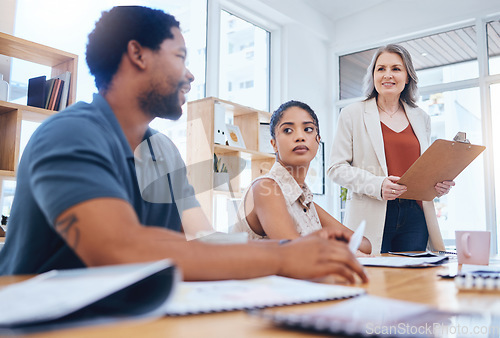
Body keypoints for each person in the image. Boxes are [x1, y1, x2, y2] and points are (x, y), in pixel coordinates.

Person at [0, 6, 367, 283]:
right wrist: (283, 260)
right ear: (138, 54)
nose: (190, 75)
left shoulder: (163, 152)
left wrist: (294, 248)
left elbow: (200, 241)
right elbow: (119, 250)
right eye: (179, 58)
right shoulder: (70, 135)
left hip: (129, 316)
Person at [327, 44, 455, 254]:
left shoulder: (421, 117)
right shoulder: (352, 114)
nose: (388, 75)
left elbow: (423, 167)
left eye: (396, 69)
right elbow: (336, 168)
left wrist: (437, 184)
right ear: (373, 75)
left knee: (412, 281)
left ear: (407, 77)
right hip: (371, 212)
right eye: (381, 69)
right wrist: (377, 185)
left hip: (415, 215)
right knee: (372, 279)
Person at [231, 100, 371, 254]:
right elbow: (298, 253)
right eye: (288, 130)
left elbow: (364, 245)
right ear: (274, 144)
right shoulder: (265, 189)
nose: (299, 136)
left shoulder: (304, 200)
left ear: (318, 140)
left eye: (308, 129)